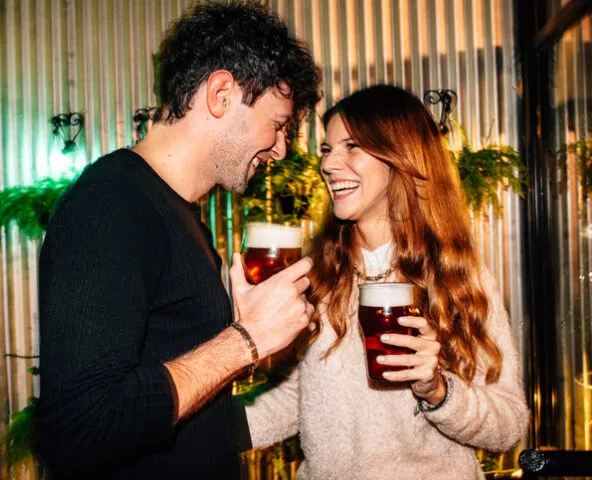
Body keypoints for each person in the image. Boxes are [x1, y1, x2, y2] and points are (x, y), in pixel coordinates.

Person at [34, 1, 322, 479]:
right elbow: (80, 430)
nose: (281, 148)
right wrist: (246, 340)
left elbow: (172, 382)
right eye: (277, 123)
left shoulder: (179, 213)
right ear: (221, 94)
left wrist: (241, 324)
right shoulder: (111, 206)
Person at [245, 85, 529, 479]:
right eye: (327, 150)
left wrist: (438, 392)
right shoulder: (319, 274)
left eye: (352, 146)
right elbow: (299, 399)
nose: (328, 164)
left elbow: (509, 423)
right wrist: (183, 431)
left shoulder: (456, 277)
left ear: (400, 156)